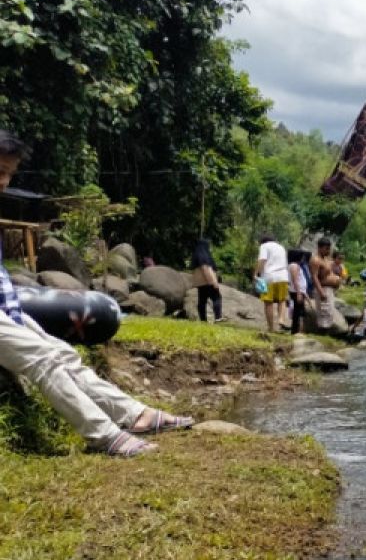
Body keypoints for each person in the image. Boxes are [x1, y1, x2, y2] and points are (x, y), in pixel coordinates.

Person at [0, 129, 192, 457]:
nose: (4, 182)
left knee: (64, 355)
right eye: (1, 172)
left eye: (8, 174)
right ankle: (104, 435)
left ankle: (137, 415)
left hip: (7, 313)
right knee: (44, 358)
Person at [254, 234, 289, 332]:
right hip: (283, 276)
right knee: (282, 300)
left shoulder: (264, 246)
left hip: (269, 277)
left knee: (268, 302)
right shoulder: (281, 247)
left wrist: (256, 274)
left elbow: (262, 260)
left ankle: (271, 328)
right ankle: (281, 319)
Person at [309, 237, 340, 332]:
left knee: (329, 312)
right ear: (320, 248)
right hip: (322, 289)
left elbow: (329, 273)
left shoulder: (326, 259)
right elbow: (314, 277)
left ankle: (326, 332)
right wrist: (321, 291)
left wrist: (336, 281)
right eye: (326, 249)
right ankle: (322, 332)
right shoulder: (315, 260)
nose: (328, 251)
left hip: (329, 289)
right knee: (324, 312)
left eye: (329, 248)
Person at [191, 238, 224, 323]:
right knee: (217, 297)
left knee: (202, 301)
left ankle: (203, 320)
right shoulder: (204, 255)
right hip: (207, 281)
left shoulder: (196, 255)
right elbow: (206, 268)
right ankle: (218, 317)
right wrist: (213, 282)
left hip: (200, 283)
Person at [286, 249, 312, 335]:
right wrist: (299, 293)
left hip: (299, 291)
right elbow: (295, 280)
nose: (302, 258)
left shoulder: (293, 265)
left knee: (298, 311)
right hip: (297, 291)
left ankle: (296, 330)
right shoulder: (294, 266)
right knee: (298, 312)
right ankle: (295, 331)